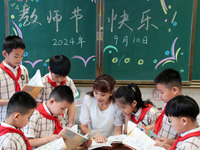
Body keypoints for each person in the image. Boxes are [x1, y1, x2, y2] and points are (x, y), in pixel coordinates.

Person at [79, 74, 123, 143]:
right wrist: (96, 136)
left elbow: (118, 130)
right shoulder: (88, 99)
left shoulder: (116, 103)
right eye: (96, 93)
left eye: (103, 95)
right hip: (92, 140)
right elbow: (83, 127)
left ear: (111, 93)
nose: (98, 97)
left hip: (109, 140)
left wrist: (113, 142)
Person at [37, 55, 78, 128]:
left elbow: (71, 104)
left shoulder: (69, 82)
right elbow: (38, 106)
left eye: (63, 76)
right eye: (56, 77)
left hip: (63, 124)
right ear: (49, 69)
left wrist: (70, 123)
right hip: (46, 124)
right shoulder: (41, 83)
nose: (60, 80)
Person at [148, 68, 183, 146]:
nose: (160, 96)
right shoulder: (167, 104)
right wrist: (154, 126)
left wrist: (172, 142)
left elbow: (193, 138)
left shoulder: (187, 109)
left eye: (162, 92)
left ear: (174, 90)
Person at [0, 35, 29, 123]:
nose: (19, 59)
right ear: (5, 54)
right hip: (3, 119)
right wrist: (11, 102)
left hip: (22, 118)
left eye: (22, 56)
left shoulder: (23, 70)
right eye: (16, 56)